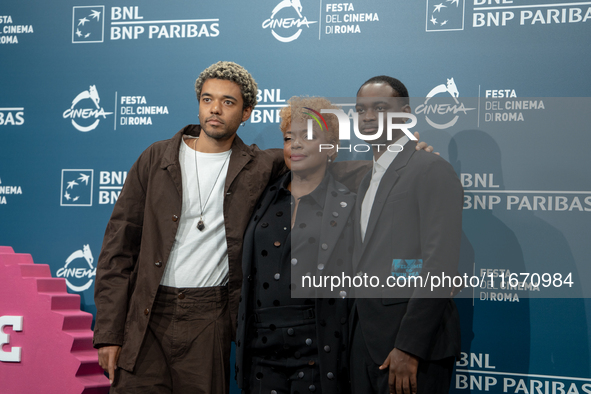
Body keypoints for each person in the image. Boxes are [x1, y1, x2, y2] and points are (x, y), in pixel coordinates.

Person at [93, 61, 286, 394]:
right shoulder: (155, 159)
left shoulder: (260, 166)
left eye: (228, 102)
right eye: (208, 99)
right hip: (148, 312)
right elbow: (117, 250)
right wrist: (109, 333)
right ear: (198, 104)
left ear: (247, 113)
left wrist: (402, 151)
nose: (215, 109)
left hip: (209, 316)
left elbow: (314, 152)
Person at [349, 76, 463, 394]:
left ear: (406, 113)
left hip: (412, 351)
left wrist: (409, 347)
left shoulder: (430, 169)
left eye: (380, 108)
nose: (368, 117)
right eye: (361, 110)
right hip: (365, 344)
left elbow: (439, 265)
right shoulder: (365, 178)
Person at [235, 97, 356, 394]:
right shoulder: (262, 195)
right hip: (260, 351)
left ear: (331, 147)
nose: (296, 145)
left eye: (309, 136)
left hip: (320, 350)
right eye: (290, 138)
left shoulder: (350, 204)